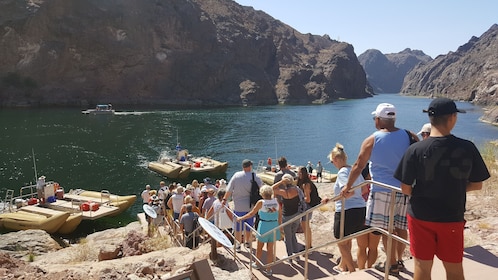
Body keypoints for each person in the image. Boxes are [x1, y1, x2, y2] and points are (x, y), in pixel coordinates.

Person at [394, 98, 490, 280]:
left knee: (422, 267)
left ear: (430, 119)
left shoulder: (415, 150)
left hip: (420, 217)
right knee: (454, 270)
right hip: (451, 218)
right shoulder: (467, 148)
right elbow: (477, 184)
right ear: (453, 117)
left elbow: (405, 188)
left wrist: (422, 192)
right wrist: (456, 188)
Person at [341, 102, 419, 276]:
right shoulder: (409, 135)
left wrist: (348, 186)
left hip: (382, 190)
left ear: (378, 120)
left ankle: (390, 263)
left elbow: (358, 165)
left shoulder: (372, 139)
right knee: (400, 227)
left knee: (385, 228)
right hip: (404, 189)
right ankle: (398, 259)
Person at [323, 143, 369, 273]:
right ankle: (343, 266)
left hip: (347, 210)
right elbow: (364, 189)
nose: (333, 164)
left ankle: (352, 272)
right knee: (347, 239)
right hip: (361, 209)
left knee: (341, 242)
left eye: (332, 162)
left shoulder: (342, 172)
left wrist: (330, 199)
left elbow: (348, 193)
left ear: (336, 160)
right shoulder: (355, 171)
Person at [237, 185, 281, 276]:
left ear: (262, 193)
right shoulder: (276, 201)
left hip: (264, 225)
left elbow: (252, 213)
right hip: (274, 225)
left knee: (260, 247)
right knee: (270, 249)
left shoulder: (261, 202)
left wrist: (241, 218)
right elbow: (280, 214)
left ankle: (257, 264)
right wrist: (280, 226)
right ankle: (269, 269)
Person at [223, 159, 263, 252]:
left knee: (238, 227)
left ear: (243, 167)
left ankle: (237, 245)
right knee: (248, 226)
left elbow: (229, 190)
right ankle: (248, 243)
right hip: (250, 206)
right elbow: (262, 188)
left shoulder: (236, 175)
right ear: (249, 166)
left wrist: (224, 200)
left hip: (238, 206)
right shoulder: (254, 175)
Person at [272, 173, 304, 262]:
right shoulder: (297, 189)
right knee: (293, 235)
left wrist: (281, 182)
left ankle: (289, 257)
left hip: (287, 217)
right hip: (297, 215)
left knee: (288, 237)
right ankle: (296, 256)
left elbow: (272, 188)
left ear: (284, 182)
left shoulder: (284, 192)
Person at [296, 166, 321, 249]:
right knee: (305, 226)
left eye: (299, 172)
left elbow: (308, 199)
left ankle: (308, 246)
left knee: (305, 226)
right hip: (306, 206)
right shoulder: (303, 183)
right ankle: (308, 244)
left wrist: (299, 200)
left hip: (307, 207)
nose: (297, 174)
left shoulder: (306, 184)